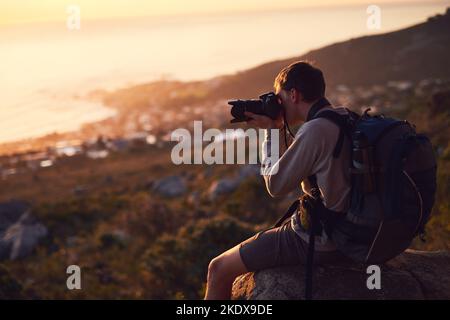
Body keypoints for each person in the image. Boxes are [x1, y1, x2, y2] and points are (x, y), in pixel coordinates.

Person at [204, 61, 352, 300]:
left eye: (279, 98)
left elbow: (275, 185)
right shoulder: (343, 117)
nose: (277, 105)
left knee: (218, 268)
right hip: (351, 231)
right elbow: (290, 168)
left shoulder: (315, 130)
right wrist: (278, 127)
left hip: (325, 239)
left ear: (293, 94)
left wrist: (271, 131)